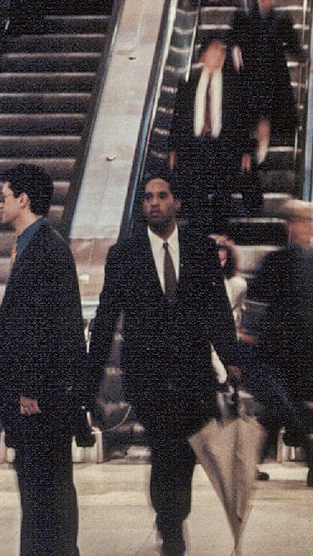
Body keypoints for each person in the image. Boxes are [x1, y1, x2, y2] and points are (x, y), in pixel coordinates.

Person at [86, 174, 241, 556]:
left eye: (161, 196)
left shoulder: (201, 249)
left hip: (193, 374)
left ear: (176, 202)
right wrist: (91, 375)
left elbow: (217, 311)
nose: (153, 203)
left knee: (184, 455)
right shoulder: (125, 254)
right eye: (147, 197)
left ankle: (172, 515)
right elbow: (106, 317)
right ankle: (171, 528)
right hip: (148, 375)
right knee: (164, 448)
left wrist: (232, 360)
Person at [0, 164, 87, 556]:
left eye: (4, 197)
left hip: (40, 398)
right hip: (37, 395)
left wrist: (30, 386)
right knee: (39, 488)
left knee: (45, 488)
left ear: (24, 200)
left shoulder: (45, 248)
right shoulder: (35, 244)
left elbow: (48, 323)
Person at [244, 202, 313, 490]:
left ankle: (246, 465)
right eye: (303, 220)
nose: (309, 226)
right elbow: (257, 296)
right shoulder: (275, 260)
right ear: (290, 225)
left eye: (310, 220)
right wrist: (251, 333)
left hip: (303, 349)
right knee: (292, 410)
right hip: (276, 349)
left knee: (280, 410)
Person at [228, 0, 313, 201]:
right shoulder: (244, 14)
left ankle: (262, 145)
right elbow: (232, 38)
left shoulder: (281, 18)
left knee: (265, 112)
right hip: (250, 74)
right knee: (253, 112)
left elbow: (293, 45)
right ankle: (254, 148)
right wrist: (234, 50)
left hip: (273, 75)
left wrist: (307, 61)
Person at [168, 34, 251, 237]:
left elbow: (242, 120)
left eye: (222, 50)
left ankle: (220, 240)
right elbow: (178, 120)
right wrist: (173, 150)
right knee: (196, 199)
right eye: (214, 50)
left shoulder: (234, 85)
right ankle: (199, 239)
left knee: (222, 199)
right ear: (202, 55)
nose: (220, 54)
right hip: (194, 148)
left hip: (223, 148)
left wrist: (246, 151)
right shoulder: (188, 84)